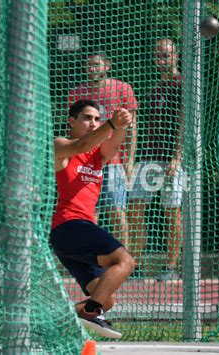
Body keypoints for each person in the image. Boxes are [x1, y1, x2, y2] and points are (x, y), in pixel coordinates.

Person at [50, 99, 135, 339]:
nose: (93, 123)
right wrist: (110, 124)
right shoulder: (60, 145)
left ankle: (50, 323)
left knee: (105, 297)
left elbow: (110, 145)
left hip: (78, 232)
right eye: (87, 118)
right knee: (125, 262)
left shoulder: (98, 154)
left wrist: (121, 125)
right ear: (71, 121)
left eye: (97, 119)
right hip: (68, 225)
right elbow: (84, 144)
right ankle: (90, 312)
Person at [68, 50, 138, 249]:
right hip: (85, 161)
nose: (92, 69)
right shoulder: (77, 93)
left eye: (96, 64)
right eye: (89, 65)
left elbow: (132, 128)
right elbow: (73, 128)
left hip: (113, 159)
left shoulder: (122, 89)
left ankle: (123, 258)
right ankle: (91, 258)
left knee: (116, 210)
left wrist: (129, 162)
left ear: (107, 66)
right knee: (89, 212)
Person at [128, 38, 184, 281]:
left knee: (171, 211)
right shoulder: (155, 88)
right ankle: (135, 265)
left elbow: (185, 122)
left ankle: (170, 267)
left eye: (166, 54)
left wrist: (177, 157)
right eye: (158, 55)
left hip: (171, 160)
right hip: (149, 159)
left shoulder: (182, 85)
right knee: (134, 208)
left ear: (176, 56)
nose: (162, 59)